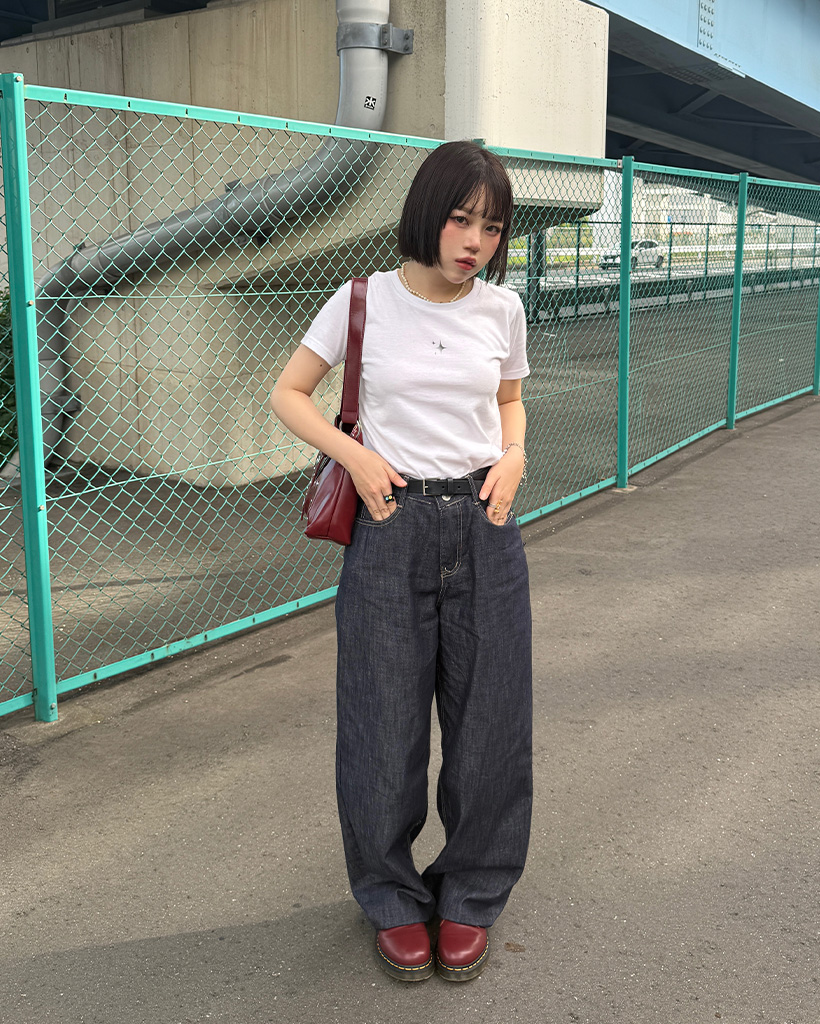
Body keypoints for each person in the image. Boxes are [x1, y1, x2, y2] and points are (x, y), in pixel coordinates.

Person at [270, 140, 532, 983]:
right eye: (461, 219)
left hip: (485, 524)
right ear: (427, 212)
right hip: (390, 526)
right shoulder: (362, 301)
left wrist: (516, 454)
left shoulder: (502, 310)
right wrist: (354, 458)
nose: (475, 241)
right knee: (381, 728)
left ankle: (471, 891)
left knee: (491, 725)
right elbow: (288, 393)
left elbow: (510, 400)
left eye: (492, 227)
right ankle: (389, 895)